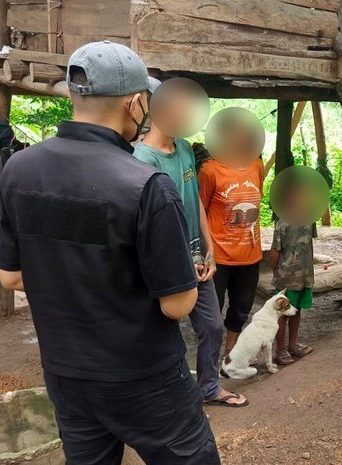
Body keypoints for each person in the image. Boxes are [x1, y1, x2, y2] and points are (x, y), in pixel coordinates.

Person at [0, 41, 220, 464]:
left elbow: (11, 277)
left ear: (75, 96)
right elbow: (177, 304)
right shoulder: (145, 184)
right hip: (144, 376)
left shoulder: (18, 171)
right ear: (135, 103)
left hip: (65, 374)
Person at [134, 78, 248, 408]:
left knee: (212, 326)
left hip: (197, 256)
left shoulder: (184, 148)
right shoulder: (143, 159)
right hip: (168, 260)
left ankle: (208, 387)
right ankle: (163, 396)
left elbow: (195, 199)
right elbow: (149, 223)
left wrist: (209, 246)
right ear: (159, 109)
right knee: (161, 332)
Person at [199, 107, 266, 360]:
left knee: (241, 309)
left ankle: (230, 354)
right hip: (219, 256)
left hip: (250, 254)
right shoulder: (210, 170)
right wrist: (207, 251)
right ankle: (210, 357)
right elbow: (201, 209)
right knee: (212, 310)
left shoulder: (256, 165)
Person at [269, 179, 317, 366]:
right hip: (287, 278)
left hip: (304, 276)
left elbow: (307, 244)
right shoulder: (282, 223)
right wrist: (277, 273)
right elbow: (275, 251)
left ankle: (292, 345)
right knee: (282, 314)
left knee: (296, 311)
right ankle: (279, 350)